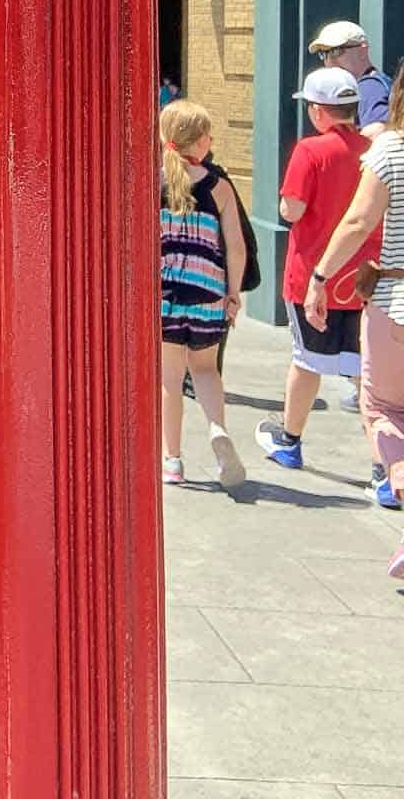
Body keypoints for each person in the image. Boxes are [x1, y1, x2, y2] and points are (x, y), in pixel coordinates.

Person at [305, 61, 404, 567]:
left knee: (383, 407)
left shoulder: (388, 150)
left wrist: (319, 277)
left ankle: (401, 480)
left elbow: (359, 219)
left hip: (394, 304)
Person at [256, 67, 378, 470]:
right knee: (366, 373)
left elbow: (292, 209)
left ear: (318, 111)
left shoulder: (309, 151)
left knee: (307, 360)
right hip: (364, 277)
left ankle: (290, 441)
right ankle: (383, 465)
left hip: (313, 274)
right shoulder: (373, 151)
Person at [160, 100, 247, 488]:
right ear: (200, 141)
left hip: (164, 296)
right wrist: (232, 293)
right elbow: (236, 245)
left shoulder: (154, 179)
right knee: (207, 370)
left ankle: (173, 461)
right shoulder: (221, 186)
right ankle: (216, 428)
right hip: (208, 293)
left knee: (170, 380)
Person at [308, 21, 391, 136]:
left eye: (336, 51)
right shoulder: (370, 84)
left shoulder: (370, 86)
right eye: (324, 53)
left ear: (362, 51)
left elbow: (378, 129)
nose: (329, 61)